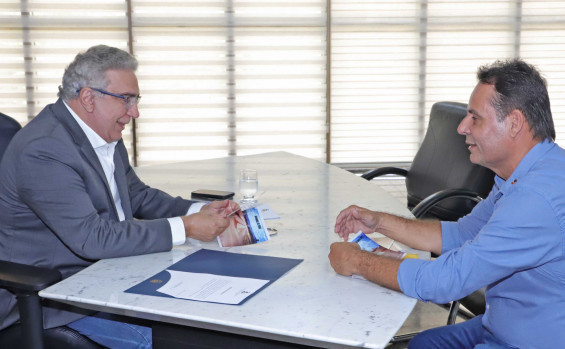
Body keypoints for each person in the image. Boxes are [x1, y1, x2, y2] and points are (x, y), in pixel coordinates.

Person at [0, 45, 240, 348]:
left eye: (136, 100)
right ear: (89, 98)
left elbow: (137, 196)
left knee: (214, 314)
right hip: (55, 299)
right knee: (187, 337)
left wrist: (202, 210)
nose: (134, 112)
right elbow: (92, 238)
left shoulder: (102, 132)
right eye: (126, 99)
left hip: (110, 275)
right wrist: (187, 226)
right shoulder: (43, 150)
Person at [328, 59, 565, 348]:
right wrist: (380, 223)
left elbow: (448, 281)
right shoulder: (525, 174)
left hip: (527, 340)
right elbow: (463, 234)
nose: (462, 127)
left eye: (475, 118)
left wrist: (358, 261)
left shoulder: (537, 198)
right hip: (504, 320)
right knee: (422, 344)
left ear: (514, 123)